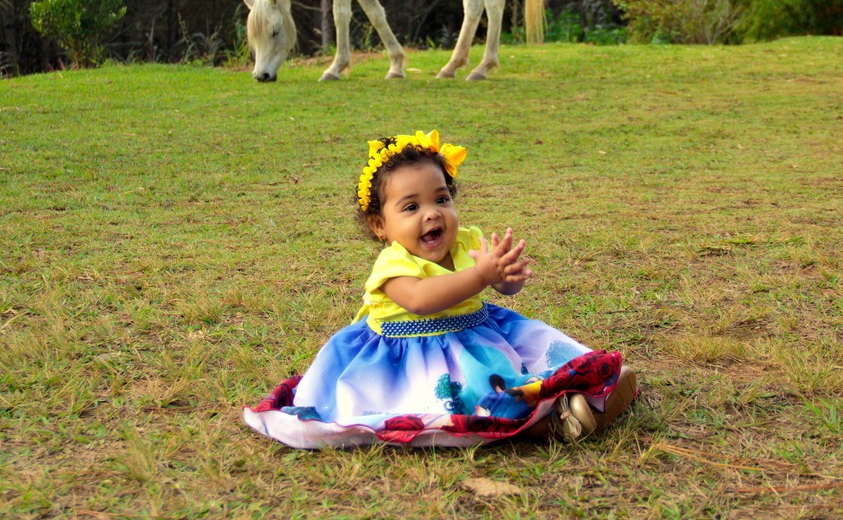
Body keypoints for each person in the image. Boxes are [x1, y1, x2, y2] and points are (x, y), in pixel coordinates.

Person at [244, 130, 637, 448]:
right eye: (411, 207)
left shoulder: (466, 242)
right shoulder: (393, 264)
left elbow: (499, 287)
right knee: (477, 399)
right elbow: (420, 301)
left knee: (539, 367)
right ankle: (551, 423)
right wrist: (480, 277)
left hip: (481, 336)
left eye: (441, 199)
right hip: (414, 357)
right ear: (380, 226)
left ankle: (574, 401)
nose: (432, 213)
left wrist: (504, 279)